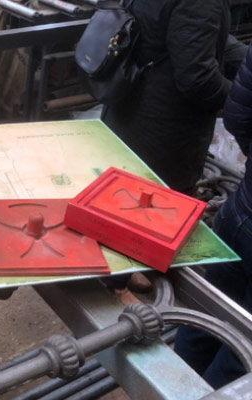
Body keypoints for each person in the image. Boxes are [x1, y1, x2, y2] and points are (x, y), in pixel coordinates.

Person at [100, 0, 246, 297]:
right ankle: (112, 288)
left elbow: (196, 34)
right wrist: (243, 98)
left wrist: (246, 61)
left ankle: (128, 269)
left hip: (135, 101)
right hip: (164, 128)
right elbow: (198, 79)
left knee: (125, 199)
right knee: (146, 209)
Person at [173, 42, 252, 389]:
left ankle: (174, 387)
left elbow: (238, 115)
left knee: (208, 314)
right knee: (242, 351)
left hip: (241, 211)